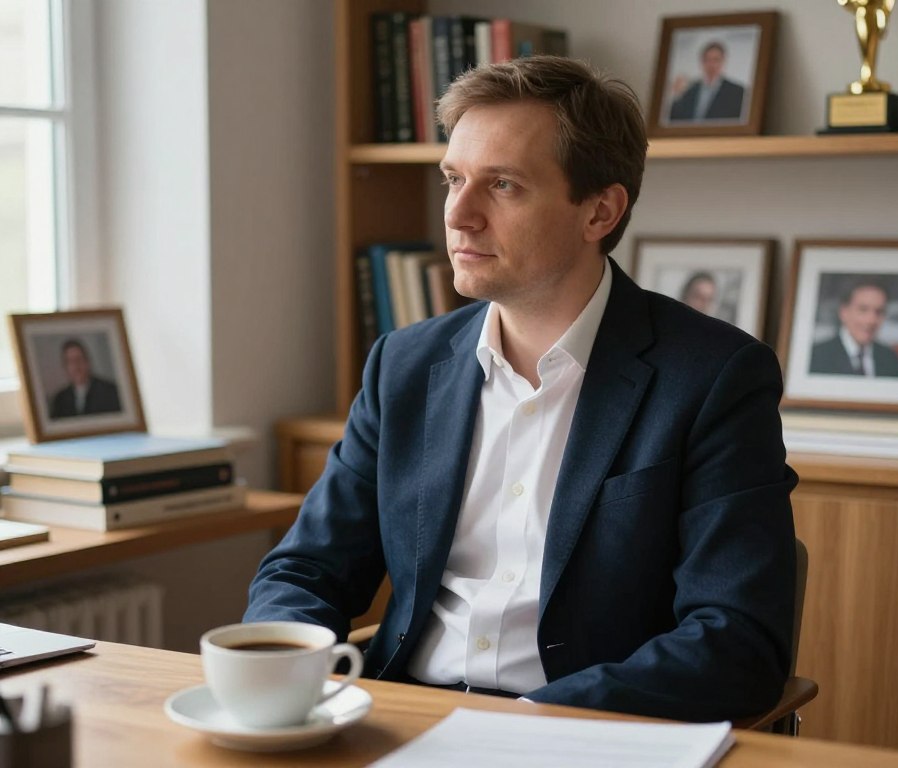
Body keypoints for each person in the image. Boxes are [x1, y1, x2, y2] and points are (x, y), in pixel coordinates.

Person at [245, 55, 797, 723]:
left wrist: (525, 727)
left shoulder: (713, 378)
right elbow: (303, 571)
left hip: (581, 732)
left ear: (600, 211)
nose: (458, 215)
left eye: (502, 185)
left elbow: (737, 641)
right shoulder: (404, 366)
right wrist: (280, 679)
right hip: (401, 723)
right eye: (453, 178)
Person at [809, 279, 898, 377]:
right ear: (843, 312)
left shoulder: (890, 359)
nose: (871, 320)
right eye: (863, 310)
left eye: (879, 312)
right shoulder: (816, 356)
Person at [669, 41, 746, 122]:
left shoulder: (737, 92)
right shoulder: (689, 90)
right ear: (702, 62)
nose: (712, 65)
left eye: (716, 60)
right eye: (707, 60)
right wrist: (676, 95)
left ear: (723, 61)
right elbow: (675, 119)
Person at [48, 339, 122, 419]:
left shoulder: (110, 391)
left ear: (88, 362)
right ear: (65, 367)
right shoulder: (60, 399)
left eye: (79, 359)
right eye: (70, 361)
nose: (76, 365)